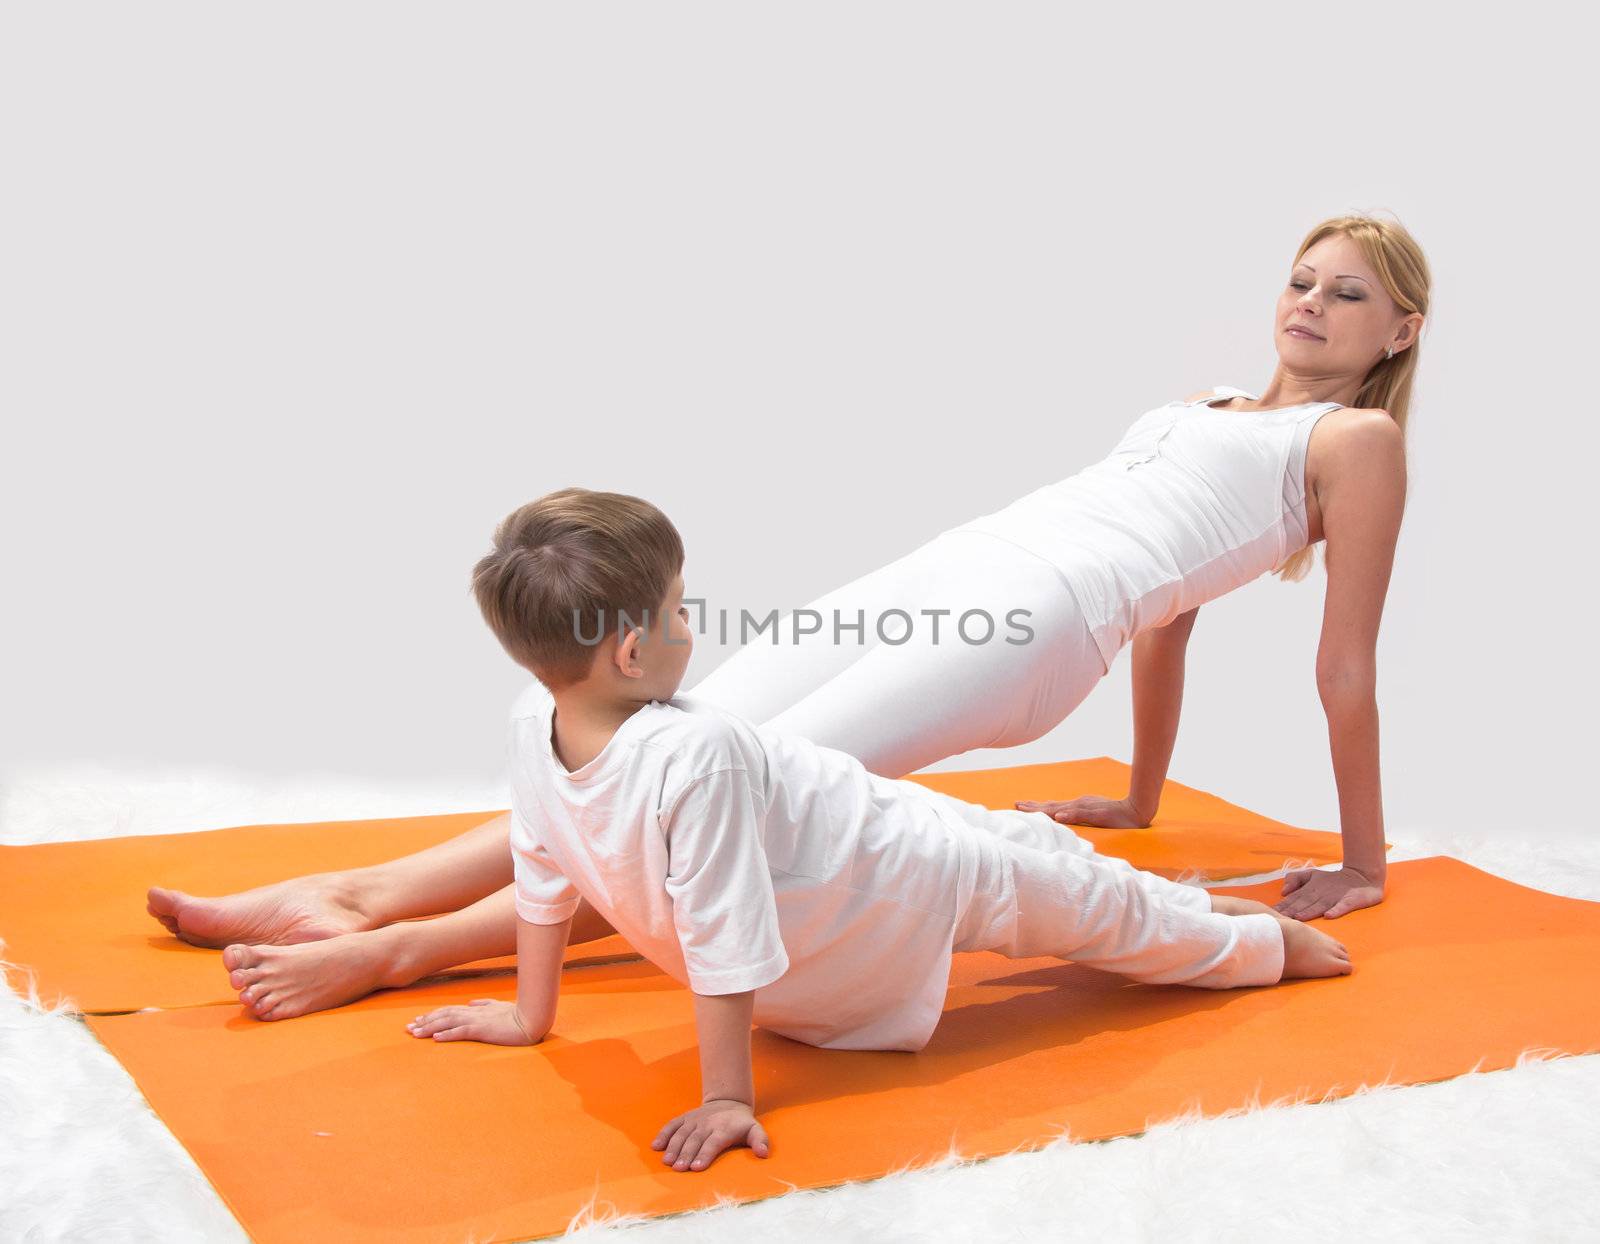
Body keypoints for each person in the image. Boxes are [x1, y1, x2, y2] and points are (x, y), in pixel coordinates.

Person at [146, 211, 1425, 1023]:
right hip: (957, 560)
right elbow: (1177, 626)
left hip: (1036, 619)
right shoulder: (1202, 404)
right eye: (1301, 278)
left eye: (1348, 294)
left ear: (1398, 330)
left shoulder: (1355, 440)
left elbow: (1343, 663)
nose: (1308, 302)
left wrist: (1363, 860)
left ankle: (397, 951)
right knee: (661, 735)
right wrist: (1143, 798)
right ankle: (354, 892)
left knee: (710, 796)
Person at [402, 490, 1350, 1173]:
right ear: (632, 650)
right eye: (681, 610)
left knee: (1057, 854)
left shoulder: (537, 719)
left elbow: (544, 879)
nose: (694, 626)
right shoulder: (695, 756)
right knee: (1093, 910)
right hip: (904, 873)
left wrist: (535, 1017)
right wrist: (726, 1096)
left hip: (861, 817)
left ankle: (1188, 903)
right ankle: (1260, 944)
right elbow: (712, 933)